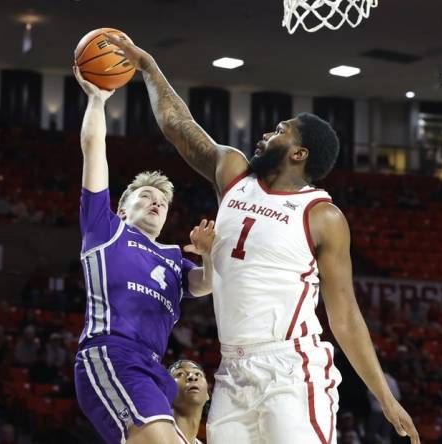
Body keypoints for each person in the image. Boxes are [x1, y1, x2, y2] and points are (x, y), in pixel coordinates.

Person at [108, 34, 419, 444]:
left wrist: (384, 397)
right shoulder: (234, 174)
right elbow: (178, 126)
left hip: (291, 366)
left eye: (279, 131)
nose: (265, 135)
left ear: (299, 153)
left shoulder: (322, 216)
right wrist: (148, 67)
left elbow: (344, 317)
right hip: (233, 369)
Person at [70, 66, 215, 444]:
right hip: (113, 353)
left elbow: (204, 285)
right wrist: (97, 101)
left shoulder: (171, 256)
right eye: (146, 196)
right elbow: (93, 149)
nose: (156, 202)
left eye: (163, 201)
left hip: (154, 370)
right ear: (122, 208)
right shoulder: (105, 229)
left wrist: (209, 255)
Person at [168, 360, 208, 444]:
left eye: (198, 374)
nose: (192, 377)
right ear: (166, 394)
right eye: (180, 374)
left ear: (207, 395)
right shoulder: (152, 437)